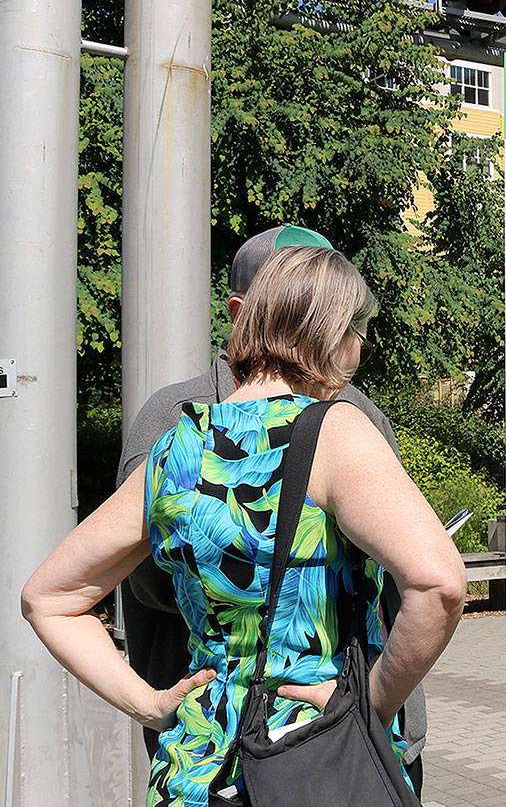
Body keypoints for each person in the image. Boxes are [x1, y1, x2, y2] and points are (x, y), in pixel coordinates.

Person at [22, 246, 466, 806]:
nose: (362, 350)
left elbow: (47, 597)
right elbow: (441, 584)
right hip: (315, 756)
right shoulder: (336, 432)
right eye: (360, 332)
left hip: (197, 772)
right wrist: (371, 703)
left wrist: (149, 704)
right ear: (331, 334)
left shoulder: (175, 450)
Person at [114, 224, 428, 791]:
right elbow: (150, 588)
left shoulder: (349, 410)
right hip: (273, 739)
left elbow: (55, 592)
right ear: (244, 311)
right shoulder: (174, 417)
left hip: (257, 747)